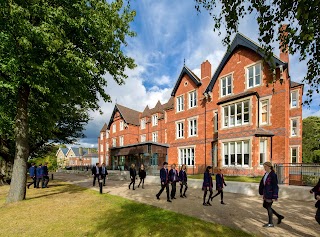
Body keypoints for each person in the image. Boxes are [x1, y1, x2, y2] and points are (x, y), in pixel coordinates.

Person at [259, 161, 284, 227]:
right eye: (264, 167)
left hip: (270, 193)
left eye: (265, 166)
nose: (264, 168)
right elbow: (262, 183)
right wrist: (261, 192)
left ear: (269, 167)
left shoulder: (273, 175)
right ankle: (279, 216)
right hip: (266, 193)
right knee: (265, 205)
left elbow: (275, 186)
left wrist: (275, 196)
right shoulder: (266, 174)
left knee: (268, 207)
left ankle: (270, 223)